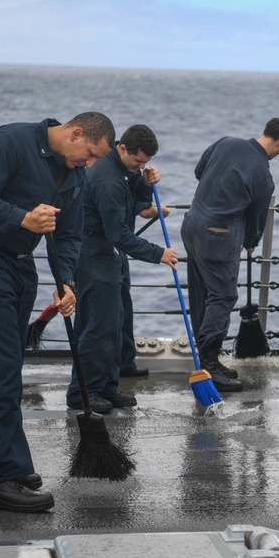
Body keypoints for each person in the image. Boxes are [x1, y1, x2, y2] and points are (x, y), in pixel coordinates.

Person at [0, 112, 114, 513]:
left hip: (21, 267)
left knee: (5, 367)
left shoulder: (75, 175)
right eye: (89, 154)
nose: (90, 164)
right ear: (76, 133)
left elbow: (70, 234)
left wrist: (66, 282)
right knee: (2, 368)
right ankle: (2, 480)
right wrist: (21, 217)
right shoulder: (12, 141)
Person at [67, 124, 178, 414]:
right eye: (138, 161)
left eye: (146, 163)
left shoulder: (123, 171)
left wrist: (143, 182)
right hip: (95, 253)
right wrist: (158, 254)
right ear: (123, 148)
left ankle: (105, 386)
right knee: (97, 326)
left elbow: (134, 206)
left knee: (113, 324)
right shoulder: (108, 179)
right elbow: (118, 233)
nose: (141, 166)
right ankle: (83, 393)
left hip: (108, 253)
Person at [181, 117, 279, 392]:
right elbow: (257, 219)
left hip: (191, 223)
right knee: (223, 296)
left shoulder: (225, 143)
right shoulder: (263, 176)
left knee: (201, 295)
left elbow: (200, 172)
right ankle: (209, 364)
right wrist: (251, 241)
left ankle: (207, 360)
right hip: (219, 235)